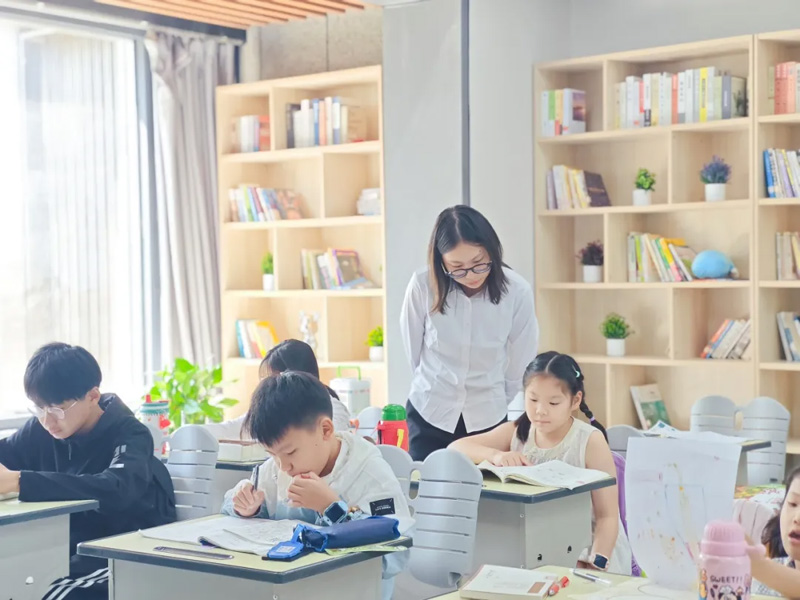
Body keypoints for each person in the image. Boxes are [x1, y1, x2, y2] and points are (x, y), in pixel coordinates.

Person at [0, 342, 176, 600]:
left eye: (58, 409)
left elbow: (116, 490)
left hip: (125, 553)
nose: (47, 420)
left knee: (51, 594)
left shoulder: (131, 434)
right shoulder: (41, 429)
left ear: (93, 396)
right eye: (39, 408)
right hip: (69, 550)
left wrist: (20, 482)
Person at [221, 371, 410, 600]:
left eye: (291, 452)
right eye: (272, 454)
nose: (284, 466)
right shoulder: (278, 467)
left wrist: (332, 509)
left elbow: (395, 553)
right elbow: (232, 506)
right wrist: (246, 505)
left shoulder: (367, 470)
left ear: (325, 430)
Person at [448, 351, 632, 574]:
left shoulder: (590, 441)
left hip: (588, 549)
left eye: (553, 402)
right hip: (535, 545)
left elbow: (607, 517)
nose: (540, 411)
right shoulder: (518, 431)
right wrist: (497, 455)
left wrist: (596, 563)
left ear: (575, 400)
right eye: (533, 399)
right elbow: (455, 448)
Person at [400, 205, 538, 461]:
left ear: (492, 251)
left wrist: (497, 397)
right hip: (430, 412)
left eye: (478, 264)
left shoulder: (517, 291)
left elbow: (522, 359)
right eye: (457, 267)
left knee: (485, 486)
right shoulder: (422, 285)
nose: (470, 275)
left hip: (487, 420)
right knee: (424, 483)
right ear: (441, 261)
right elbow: (413, 349)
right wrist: (434, 383)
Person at [204, 339, 352, 440]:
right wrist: (194, 432)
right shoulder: (270, 408)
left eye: (273, 379)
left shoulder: (334, 409)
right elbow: (233, 428)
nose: (267, 388)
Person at [751, 466, 800, 596]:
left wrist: (759, 565)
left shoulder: (765, 571)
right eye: (793, 504)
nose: (797, 518)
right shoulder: (763, 582)